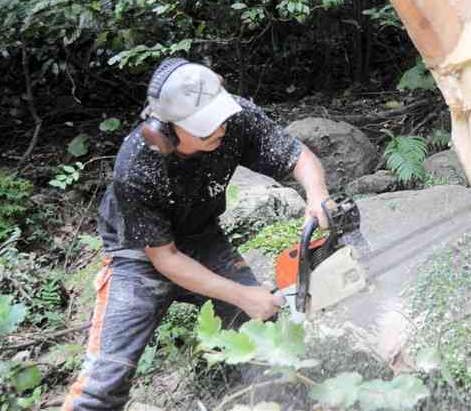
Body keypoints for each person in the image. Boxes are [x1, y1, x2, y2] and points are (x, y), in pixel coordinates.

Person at [62, 58, 330, 410]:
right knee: (105, 380)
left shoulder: (235, 118)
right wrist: (243, 295)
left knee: (266, 337)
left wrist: (317, 193)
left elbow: (296, 155)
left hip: (203, 237)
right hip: (137, 255)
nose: (218, 129)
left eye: (218, 118)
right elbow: (165, 259)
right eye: (204, 127)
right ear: (166, 131)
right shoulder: (138, 164)